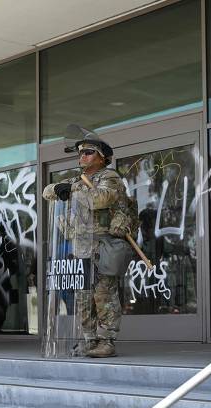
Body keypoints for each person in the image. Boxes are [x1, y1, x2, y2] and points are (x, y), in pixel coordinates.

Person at [43, 128, 135, 358]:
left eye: (88, 152)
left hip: (103, 245)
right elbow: (47, 192)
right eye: (81, 153)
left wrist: (72, 189)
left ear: (102, 157)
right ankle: (88, 340)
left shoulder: (110, 177)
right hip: (81, 246)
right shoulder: (78, 179)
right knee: (83, 298)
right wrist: (59, 188)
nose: (82, 156)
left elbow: (100, 199)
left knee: (104, 295)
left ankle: (107, 341)